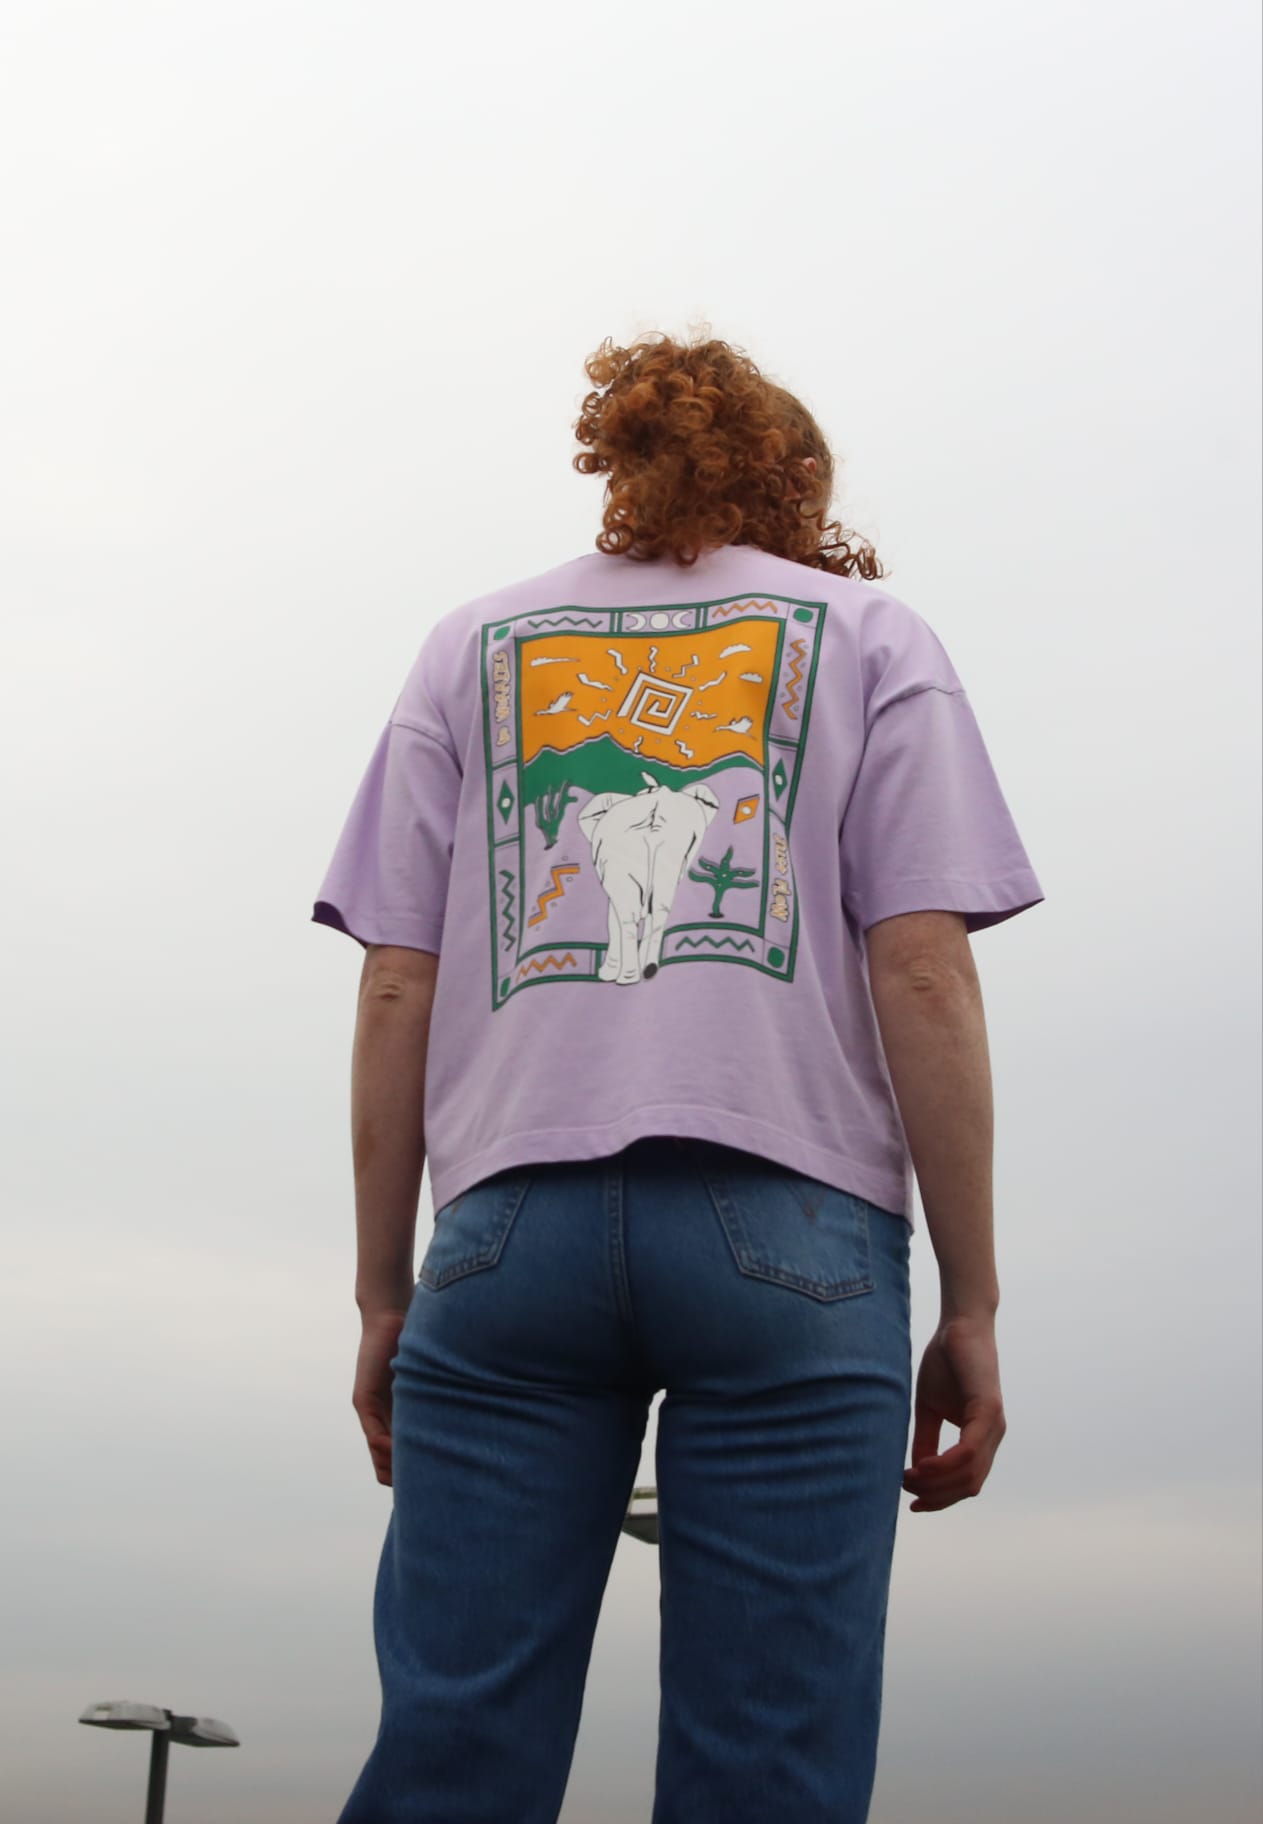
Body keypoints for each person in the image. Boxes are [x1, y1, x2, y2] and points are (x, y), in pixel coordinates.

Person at [311, 330, 1045, 1824]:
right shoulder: (872, 638)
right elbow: (920, 971)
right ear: (795, 483)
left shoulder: (471, 648)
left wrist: (387, 1292)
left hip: (510, 1235)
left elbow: (397, 980)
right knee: (766, 1767)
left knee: (454, 1748)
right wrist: (969, 1300)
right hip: (795, 1236)